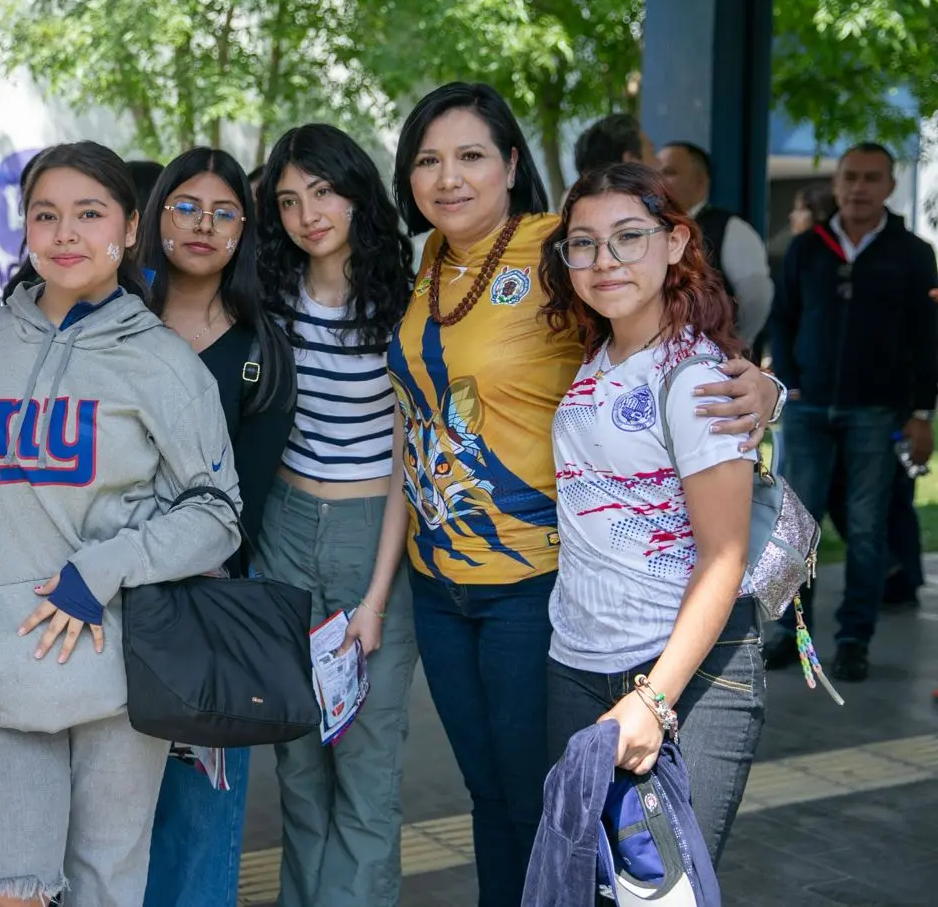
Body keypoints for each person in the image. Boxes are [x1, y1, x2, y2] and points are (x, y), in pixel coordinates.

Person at [382, 82, 782, 907]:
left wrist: (767, 388)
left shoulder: (558, 248)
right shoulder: (429, 261)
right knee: (498, 803)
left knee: (576, 831)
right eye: (427, 159)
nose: (448, 178)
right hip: (452, 583)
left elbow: (679, 346)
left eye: (470, 156)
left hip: (538, 584)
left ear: (512, 164)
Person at [0, 141, 242, 907]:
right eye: (46, 215)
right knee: (5, 892)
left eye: (89, 214)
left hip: (119, 663)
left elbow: (217, 514)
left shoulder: (162, 360)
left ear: (129, 227)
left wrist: (98, 570)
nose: (66, 233)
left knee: (106, 887)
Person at [539, 162, 764, 865]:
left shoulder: (698, 377)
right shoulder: (598, 355)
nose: (604, 261)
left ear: (675, 243)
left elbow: (723, 555)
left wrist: (655, 701)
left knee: (660, 890)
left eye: (628, 237)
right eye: (584, 243)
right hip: (577, 661)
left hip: (683, 674)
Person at [253, 123, 419, 907]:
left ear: (356, 191)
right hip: (283, 532)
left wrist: (377, 599)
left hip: (368, 539)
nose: (307, 212)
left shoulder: (404, 301)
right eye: (288, 199)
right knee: (296, 759)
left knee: (363, 758)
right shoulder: (269, 292)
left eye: (322, 191)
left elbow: (404, 465)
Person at [136, 147, 296, 907]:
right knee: (109, 816)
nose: (204, 225)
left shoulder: (261, 346)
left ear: (245, 229)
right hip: (103, 590)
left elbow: (248, 502)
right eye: (185, 206)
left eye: (225, 211)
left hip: (206, 604)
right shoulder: (112, 318)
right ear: (154, 214)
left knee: (201, 818)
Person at [765, 141, 937, 682]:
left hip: (876, 411)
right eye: (849, 178)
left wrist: (921, 414)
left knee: (866, 529)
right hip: (808, 407)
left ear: (889, 185)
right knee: (793, 528)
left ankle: (852, 638)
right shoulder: (806, 248)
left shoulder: (912, 253)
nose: (858, 188)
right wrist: (787, 385)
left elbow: (927, 339)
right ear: (836, 184)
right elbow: (783, 320)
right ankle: (789, 636)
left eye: (871, 178)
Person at [656, 141, 773, 350]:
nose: (659, 181)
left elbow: (757, 297)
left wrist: (734, 342)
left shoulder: (731, 228)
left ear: (700, 182)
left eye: (669, 172)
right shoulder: (649, 228)